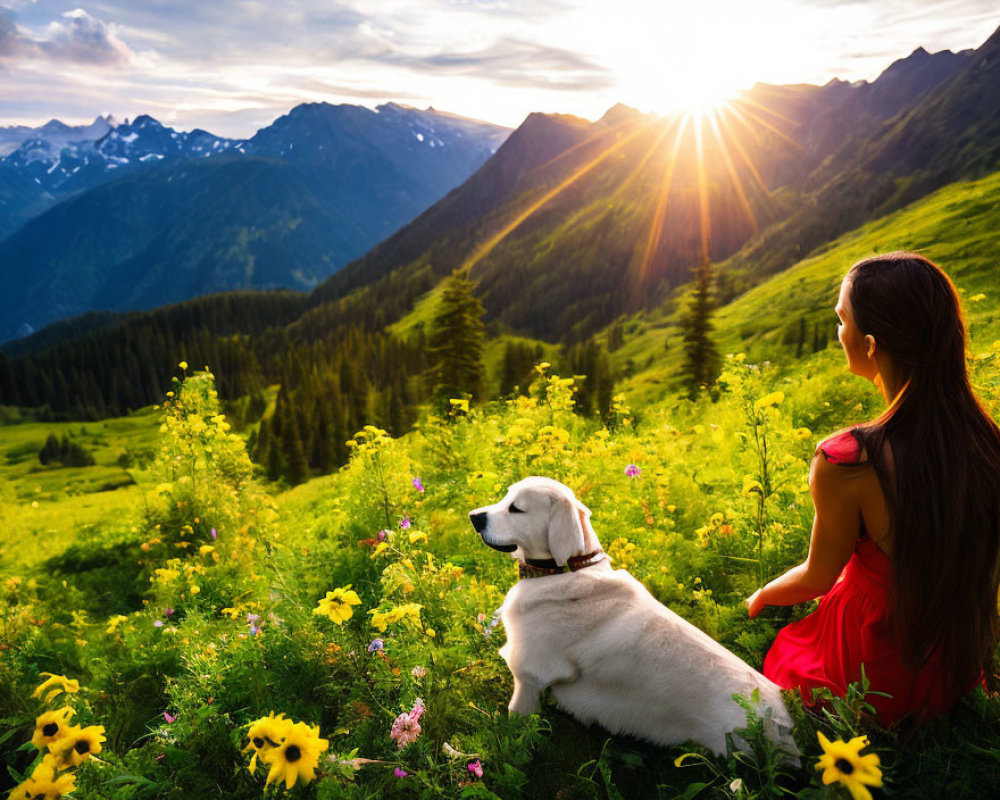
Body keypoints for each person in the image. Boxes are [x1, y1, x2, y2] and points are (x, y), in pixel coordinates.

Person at [744, 251, 1000, 726]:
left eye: (842, 319)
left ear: (869, 344)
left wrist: (759, 596)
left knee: (789, 653)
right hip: (950, 666)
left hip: (870, 677)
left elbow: (817, 578)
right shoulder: (986, 443)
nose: (837, 331)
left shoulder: (849, 460)